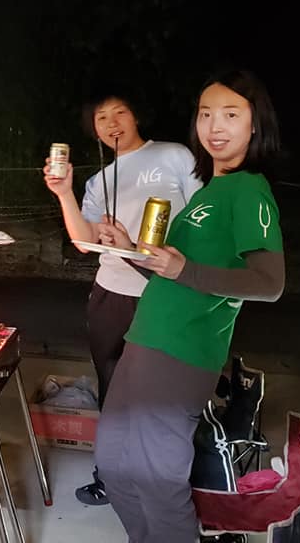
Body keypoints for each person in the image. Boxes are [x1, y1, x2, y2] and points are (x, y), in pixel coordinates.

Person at [93, 70, 285, 542]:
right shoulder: (210, 191)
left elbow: (270, 283)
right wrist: (129, 250)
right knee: (114, 466)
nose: (215, 126)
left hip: (183, 352)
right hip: (144, 339)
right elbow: (173, 276)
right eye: (206, 114)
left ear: (255, 125)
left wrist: (184, 270)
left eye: (231, 115)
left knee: (157, 480)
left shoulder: (249, 190)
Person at [43, 91, 202, 505]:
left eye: (120, 112)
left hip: (164, 294)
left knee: (163, 391)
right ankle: (111, 475)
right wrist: (64, 193)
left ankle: (164, 479)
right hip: (111, 294)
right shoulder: (99, 181)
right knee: (112, 386)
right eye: (101, 117)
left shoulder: (174, 156)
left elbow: (203, 218)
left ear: (136, 116)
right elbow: (84, 241)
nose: (112, 123)